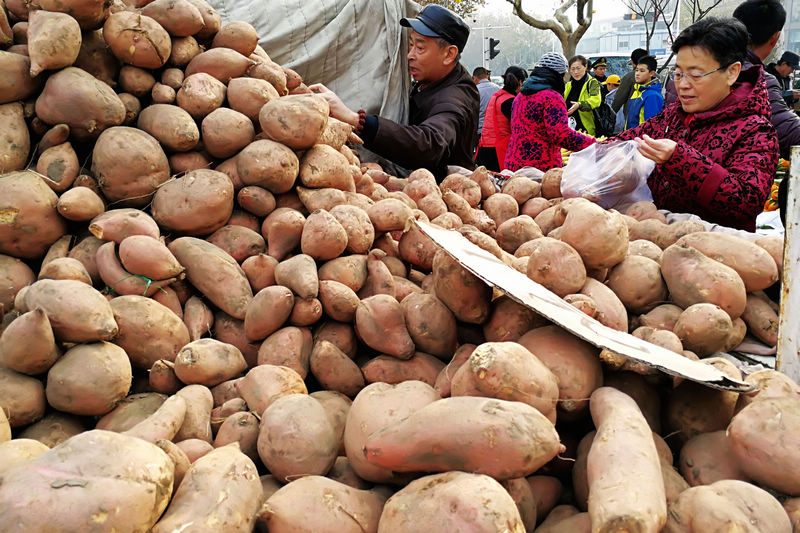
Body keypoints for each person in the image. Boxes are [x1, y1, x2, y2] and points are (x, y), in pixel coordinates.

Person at [613, 17, 778, 232]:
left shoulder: (757, 131)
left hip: (718, 254)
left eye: (696, 75)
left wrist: (679, 159)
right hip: (656, 241)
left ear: (732, 72)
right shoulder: (673, 115)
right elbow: (624, 141)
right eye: (679, 73)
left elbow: (745, 202)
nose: (682, 85)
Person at [309, 4, 479, 181]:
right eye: (410, 45)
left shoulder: (455, 96)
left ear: (449, 54)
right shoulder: (428, 83)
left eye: (420, 48)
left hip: (442, 193)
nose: (410, 55)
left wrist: (356, 120)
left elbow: (430, 144)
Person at [734, 0, 800, 226]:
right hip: (728, 196)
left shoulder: (691, 69)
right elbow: (788, 133)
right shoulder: (755, 77)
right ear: (776, 38)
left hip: (679, 186)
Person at [504, 53, 595, 172]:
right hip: (539, 168)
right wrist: (593, 144)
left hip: (513, 164)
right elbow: (560, 134)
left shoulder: (520, 96)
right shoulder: (552, 97)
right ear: (559, 75)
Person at [475, 66, 527, 172]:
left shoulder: (497, 96)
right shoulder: (511, 101)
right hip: (498, 153)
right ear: (520, 82)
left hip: (484, 149)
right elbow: (521, 129)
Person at [564, 55, 603, 136]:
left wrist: (579, 105)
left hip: (586, 130)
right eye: (572, 69)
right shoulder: (568, 85)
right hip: (569, 129)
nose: (575, 72)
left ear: (585, 67)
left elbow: (596, 100)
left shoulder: (592, 82)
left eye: (578, 68)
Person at [624, 55, 664, 129]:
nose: (637, 73)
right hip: (630, 138)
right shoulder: (636, 92)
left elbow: (652, 127)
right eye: (636, 70)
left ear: (651, 73)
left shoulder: (652, 96)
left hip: (641, 139)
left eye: (642, 71)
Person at [612, 48, 648, 117]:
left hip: (633, 120)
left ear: (632, 62)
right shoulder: (655, 76)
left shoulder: (629, 77)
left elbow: (618, 100)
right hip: (652, 121)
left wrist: (609, 118)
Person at [473, 66, 499, 143]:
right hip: (495, 129)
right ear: (486, 76)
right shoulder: (498, 89)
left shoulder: (475, 90)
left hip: (480, 130)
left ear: (475, 78)